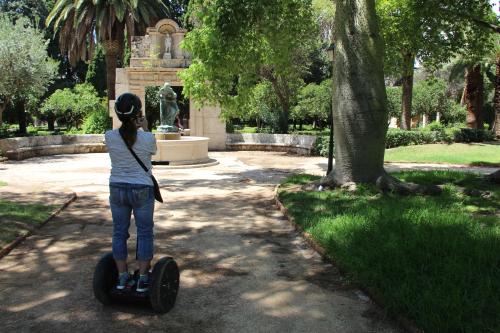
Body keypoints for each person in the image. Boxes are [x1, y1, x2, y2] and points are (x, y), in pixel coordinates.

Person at [104, 93, 157, 292]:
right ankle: (143, 277)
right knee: (144, 232)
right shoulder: (146, 137)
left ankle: (122, 276)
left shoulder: (109, 137)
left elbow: (124, 137)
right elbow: (152, 150)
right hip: (142, 188)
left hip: (117, 187)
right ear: (138, 114)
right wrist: (144, 127)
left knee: (119, 232)